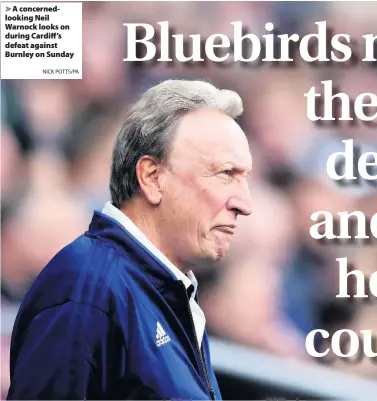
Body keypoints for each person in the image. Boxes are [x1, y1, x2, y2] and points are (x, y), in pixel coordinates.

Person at [7, 80, 253, 400]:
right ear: (152, 178)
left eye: (244, 178)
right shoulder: (87, 288)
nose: (244, 203)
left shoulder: (159, 290)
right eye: (224, 173)